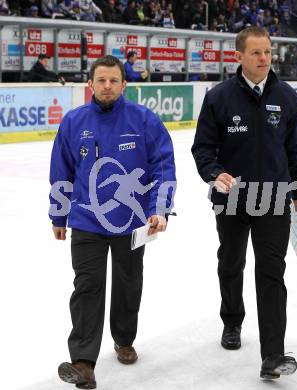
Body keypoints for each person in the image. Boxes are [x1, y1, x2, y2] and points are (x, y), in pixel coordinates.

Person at [49, 55, 176, 389]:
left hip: (132, 223)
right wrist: (58, 213)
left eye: (113, 81)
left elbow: (163, 166)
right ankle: (83, 362)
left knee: (128, 283)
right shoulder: (73, 122)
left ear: (124, 84)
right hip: (86, 221)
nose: (107, 86)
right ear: (91, 83)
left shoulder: (144, 120)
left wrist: (159, 208)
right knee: (87, 286)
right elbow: (61, 171)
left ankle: (123, 338)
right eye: (101, 80)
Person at [191, 26, 297, 380]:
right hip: (232, 200)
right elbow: (202, 148)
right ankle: (232, 320)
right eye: (256, 53)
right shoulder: (219, 97)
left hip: (273, 198)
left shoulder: (286, 96)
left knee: (271, 272)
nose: (263, 59)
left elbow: (292, 150)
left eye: (268, 52)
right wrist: (215, 173)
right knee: (231, 262)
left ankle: (272, 354)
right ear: (238, 56)